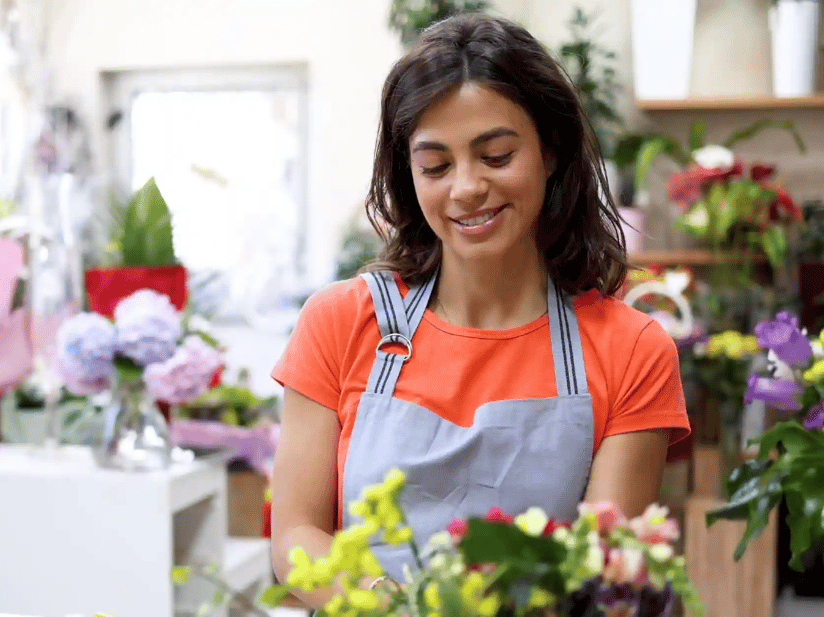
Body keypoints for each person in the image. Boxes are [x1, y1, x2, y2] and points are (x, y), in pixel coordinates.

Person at [268, 13, 692, 605]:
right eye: (435, 166)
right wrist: (397, 604)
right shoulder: (339, 323)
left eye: (495, 156)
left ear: (549, 151)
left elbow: (604, 577)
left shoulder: (632, 349)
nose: (465, 188)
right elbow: (294, 537)